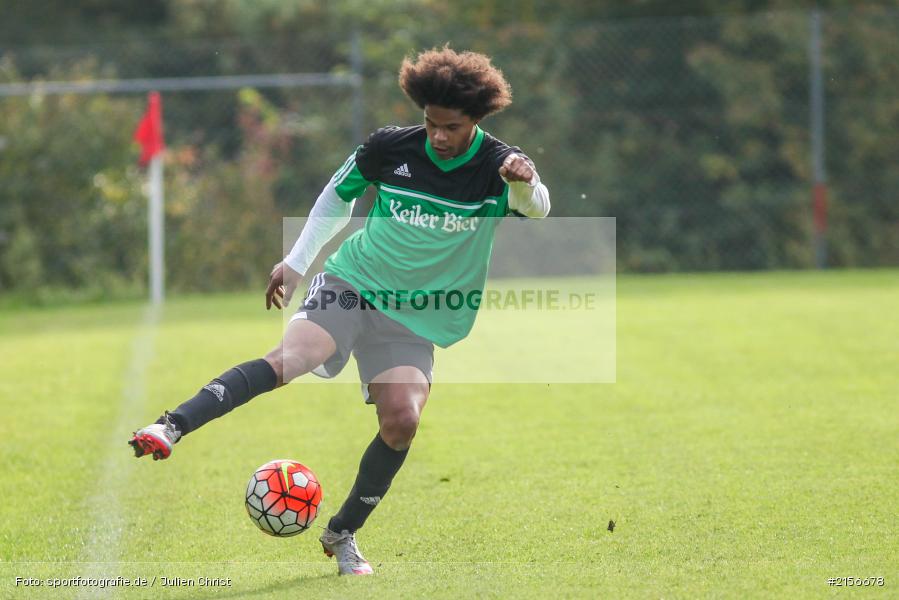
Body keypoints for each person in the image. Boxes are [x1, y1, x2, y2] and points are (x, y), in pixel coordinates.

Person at [128, 47, 550, 576]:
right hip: (355, 282)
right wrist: (297, 261)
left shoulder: (498, 166)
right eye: (430, 123)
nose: (438, 136)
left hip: (415, 316)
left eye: (451, 126)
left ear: (477, 120)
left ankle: (342, 532)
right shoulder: (390, 148)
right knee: (291, 359)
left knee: (402, 421)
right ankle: (172, 425)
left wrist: (524, 182)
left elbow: (539, 207)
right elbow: (337, 193)